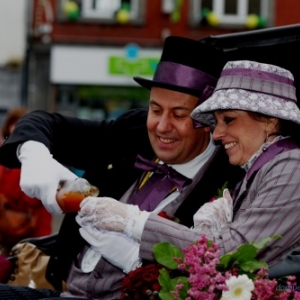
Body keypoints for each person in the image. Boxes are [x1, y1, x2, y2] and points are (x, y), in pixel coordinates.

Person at [0, 36, 243, 299]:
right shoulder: (132, 132)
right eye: (155, 109)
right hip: (62, 288)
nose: (162, 126)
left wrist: (136, 259)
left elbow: (210, 275)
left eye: (178, 115)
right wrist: (33, 153)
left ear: (207, 120)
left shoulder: (228, 180)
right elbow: (44, 122)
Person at [0, 107, 52, 255]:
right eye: (15, 125)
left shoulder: (39, 157)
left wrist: (42, 244)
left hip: (28, 230)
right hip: (4, 231)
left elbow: (40, 203)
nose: (19, 130)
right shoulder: (3, 152)